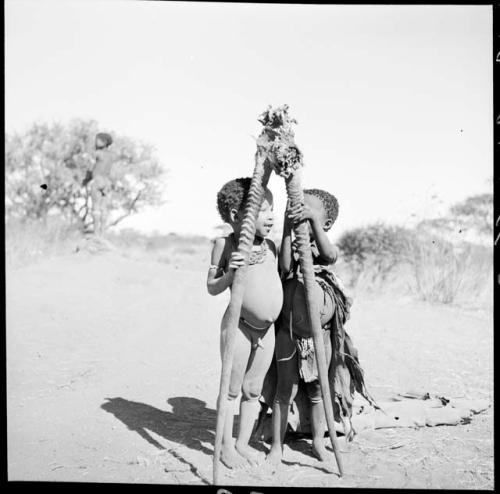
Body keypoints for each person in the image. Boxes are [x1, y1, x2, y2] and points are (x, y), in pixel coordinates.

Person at [265, 188, 375, 466]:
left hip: (320, 336)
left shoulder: (319, 249)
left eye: (310, 212)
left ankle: (317, 441)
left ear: (324, 223)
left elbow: (331, 255)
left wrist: (312, 223)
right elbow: (286, 264)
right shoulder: (291, 244)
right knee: (283, 390)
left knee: (317, 391)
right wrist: (290, 229)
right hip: (287, 333)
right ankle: (276, 446)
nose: (301, 214)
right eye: (298, 209)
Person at [207, 177, 283, 468]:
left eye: (272, 209)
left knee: (253, 391)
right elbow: (211, 287)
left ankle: (242, 443)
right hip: (238, 326)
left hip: (267, 331)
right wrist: (229, 274)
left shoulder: (272, 247)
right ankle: (225, 446)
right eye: (263, 211)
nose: (271, 217)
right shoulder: (225, 244)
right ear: (236, 217)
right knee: (231, 390)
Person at [82, 132, 114, 235]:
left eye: (98, 140)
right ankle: (103, 233)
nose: (96, 142)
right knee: (103, 208)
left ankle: (96, 234)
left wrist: (86, 180)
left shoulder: (97, 153)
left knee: (95, 207)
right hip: (107, 182)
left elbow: (90, 168)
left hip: (97, 180)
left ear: (104, 142)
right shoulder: (111, 155)